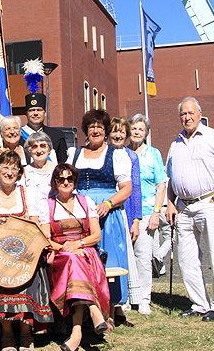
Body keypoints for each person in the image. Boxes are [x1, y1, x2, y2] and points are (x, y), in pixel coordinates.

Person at [166, 97, 214, 322]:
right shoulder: (175, 144)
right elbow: (169, 178)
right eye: (183, 114)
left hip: (208, 203)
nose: (187, 117)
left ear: (199, 113)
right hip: (183, 208)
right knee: (186, 259)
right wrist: (169, 202)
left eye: (191, 113)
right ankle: (199, 303)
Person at [0, 150, 53, 351]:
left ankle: (26, 333)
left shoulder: (28, 195)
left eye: (14, 168)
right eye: (5, 167)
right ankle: (7, 333)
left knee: (30, 276)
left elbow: (36, 227)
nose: (9, 172)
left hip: (26, 253)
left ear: (19, 172)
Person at [39, 163, 110, 351]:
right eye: (60, 179)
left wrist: (78, 244)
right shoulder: (48, 205)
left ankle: (76, 332)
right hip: (60, 253)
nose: (65, 182)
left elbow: (96, 235)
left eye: (69, 178)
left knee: (76, 261)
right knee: (72, 260)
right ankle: (93, 309)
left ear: (75, 181)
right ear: (54, 183)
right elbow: (45, 239)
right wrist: (66, 248)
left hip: (85, 250)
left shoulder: (86, 202)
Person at [67, 110, 132, 318]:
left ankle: (110, 310)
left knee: (109, 258)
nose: (95, 130)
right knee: (83, 258)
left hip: (107, 214)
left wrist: (108, 203)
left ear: (106, 131)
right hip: (81, 212)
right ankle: (85, 308)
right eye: (92, 127)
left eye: (100, 127)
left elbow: (126, 188)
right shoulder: (74, 154)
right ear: (86, 130)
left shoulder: (117, 155)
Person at [127, 114, 166, 314]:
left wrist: (156, 214)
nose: (136, 132)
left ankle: (143, 298)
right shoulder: (122, 152)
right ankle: (126, 297)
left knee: (143, 256)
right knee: (126, 256)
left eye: (140, 129)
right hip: (125, 211)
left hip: (146, 212)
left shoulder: (153, 154)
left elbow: (161, 186)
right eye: (134, 128)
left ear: (146, 133)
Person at [106, 117, 142, 319]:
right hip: (106, 209)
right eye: (114, 131)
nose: (117, 135)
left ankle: (119, 303)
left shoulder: (130, 156)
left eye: (122, 132)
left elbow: (135, 190)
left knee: (122, 256)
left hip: (123, 210)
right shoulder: (102, 153)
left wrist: (135, 220)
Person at [20, 91, 68, 163]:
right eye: (32, 110)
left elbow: (63, 164)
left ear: (45, 113)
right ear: (26, 114)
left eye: (39, 110)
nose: (36, 113)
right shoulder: (18, 136)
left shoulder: (57, 136)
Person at [24, 131, 55, 204]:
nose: (39, 150)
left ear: (49, 150)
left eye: (42, 146)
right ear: (29, 152)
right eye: (34, 147)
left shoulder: (57, 170)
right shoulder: (24, 172)